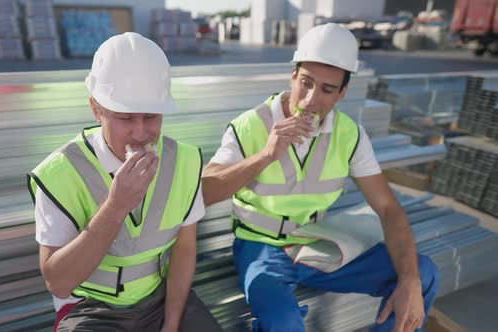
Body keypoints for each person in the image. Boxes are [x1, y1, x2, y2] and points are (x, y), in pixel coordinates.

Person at [201, 23, 439, 332]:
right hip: (260, 248)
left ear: (342, 93)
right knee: (282, 322)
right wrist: (266, 155)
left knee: (422, 274)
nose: (311, 99)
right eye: (306, 82)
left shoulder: (349, 134)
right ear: (292, 75)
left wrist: (409, 281)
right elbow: (204, 191)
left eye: (327, 89)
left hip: (317, 243)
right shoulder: (250, 125)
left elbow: (388, 208)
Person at [27, 32, 222, 332]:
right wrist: (116, 206)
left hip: (160, 301)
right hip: (90, 308)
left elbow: (184, 249)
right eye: (126, 118)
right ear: (96, 109)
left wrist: (171, 325)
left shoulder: (182, 162)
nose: (141, 133)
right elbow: (59, 282)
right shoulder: (60, 174)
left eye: (151, 116)